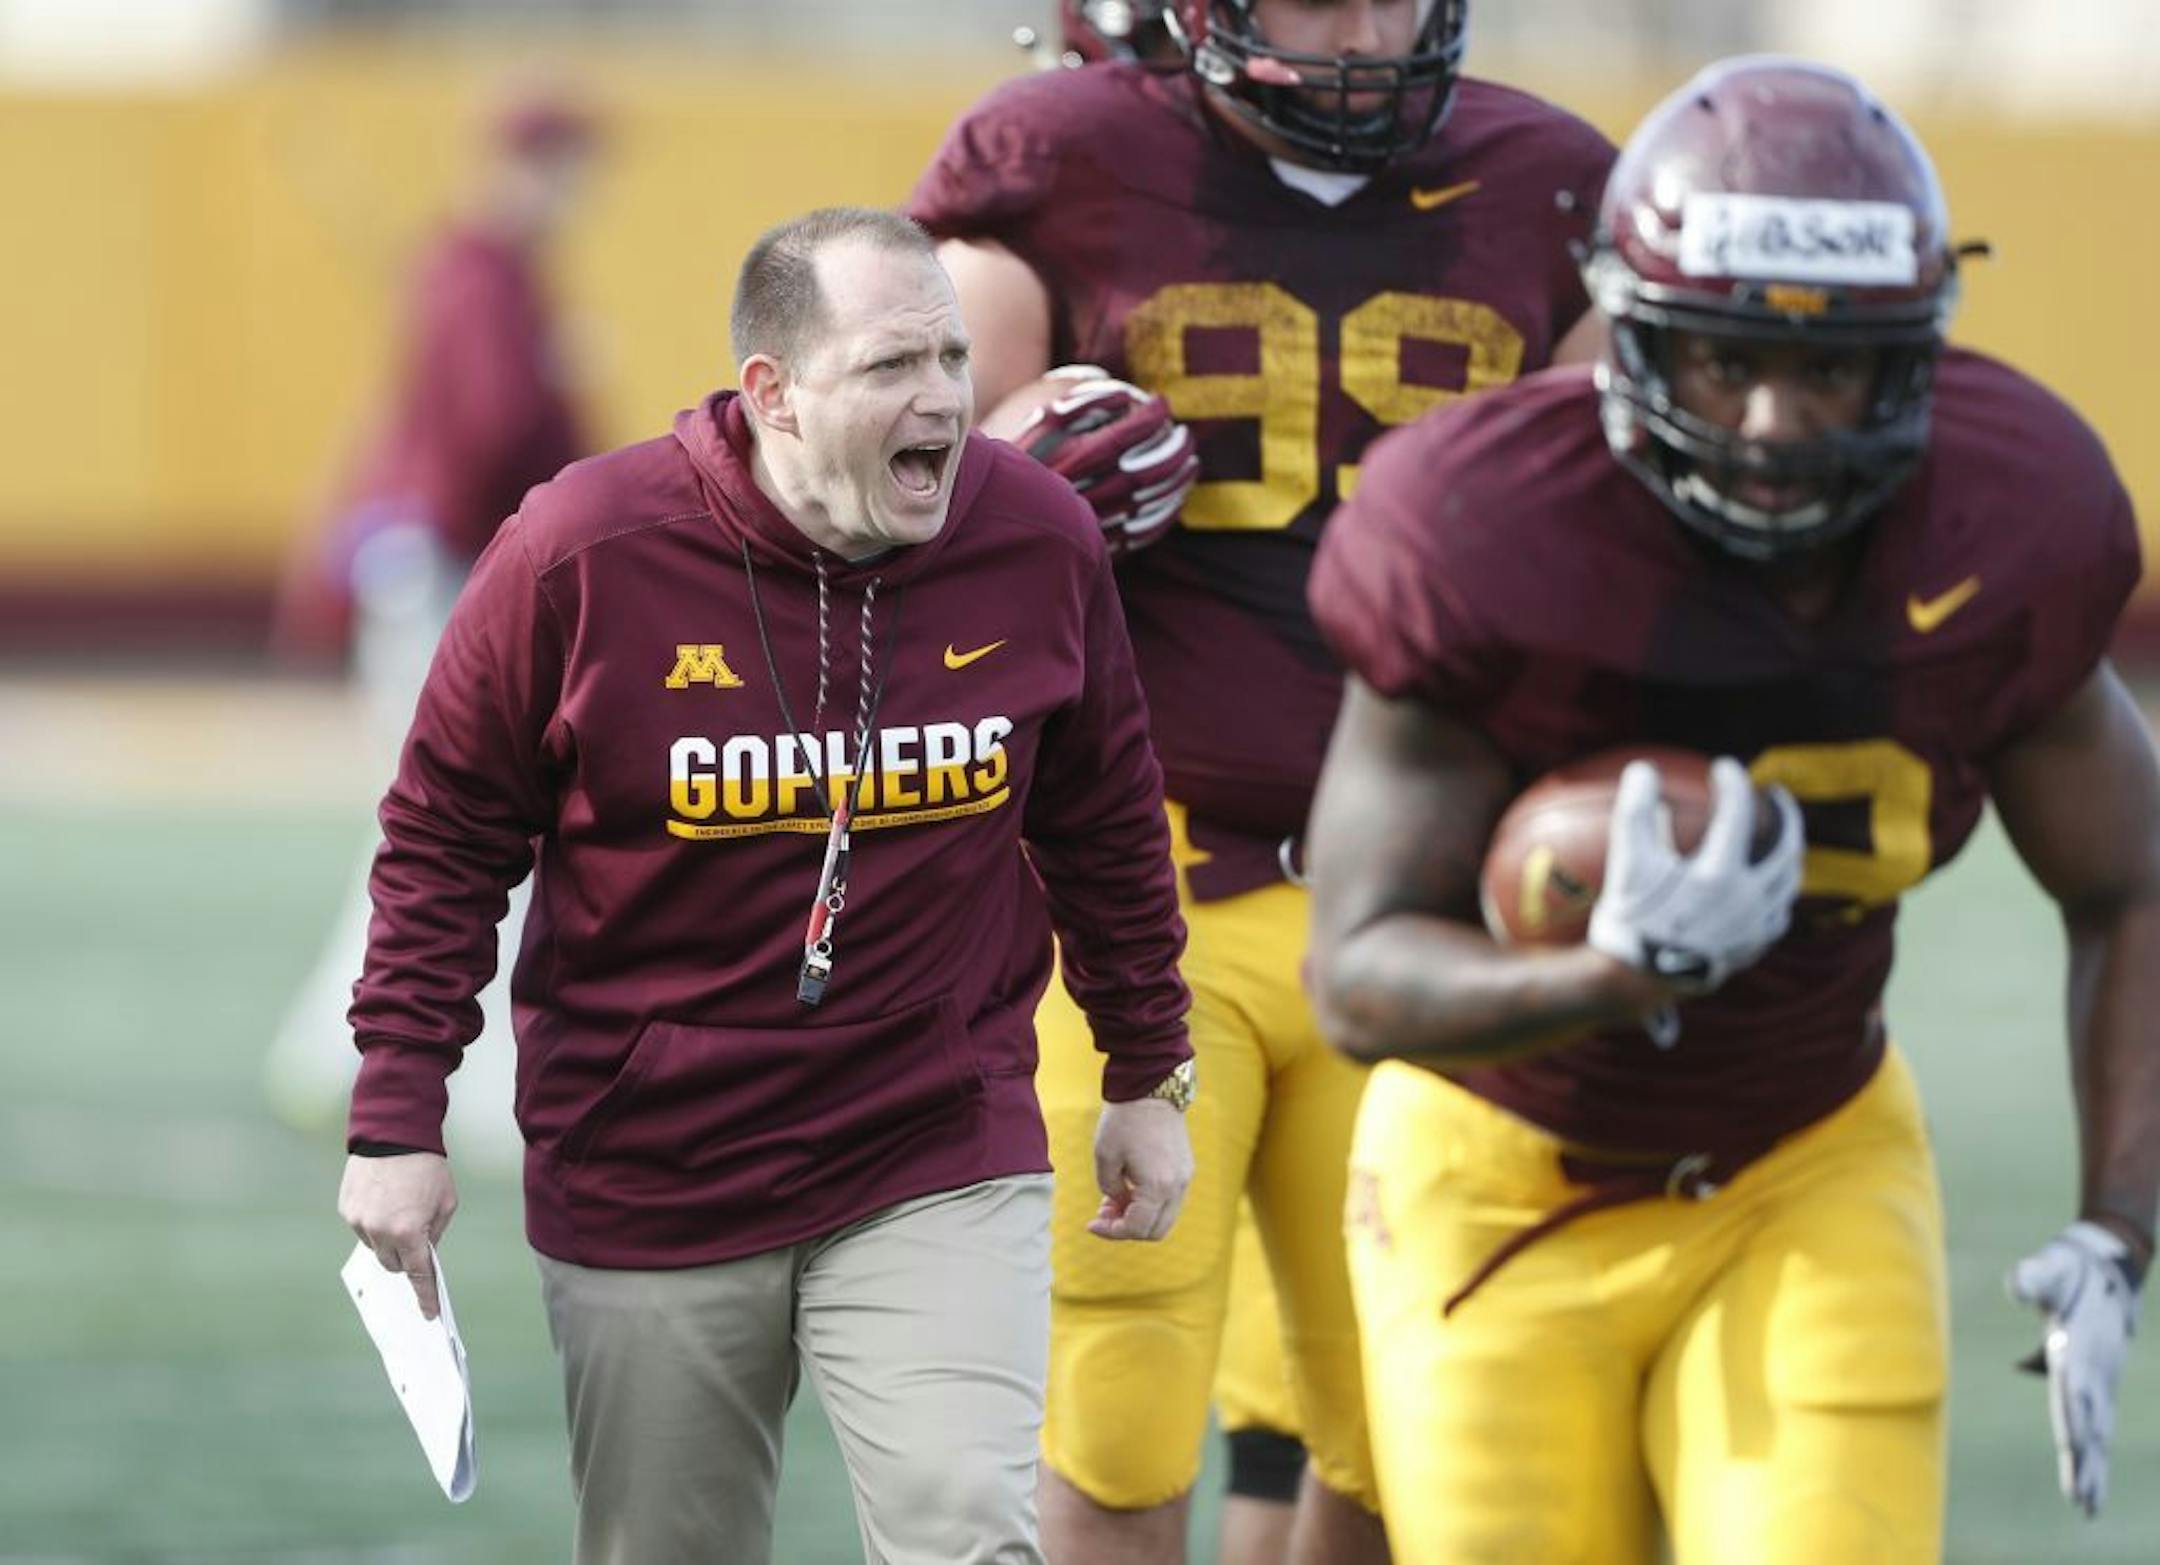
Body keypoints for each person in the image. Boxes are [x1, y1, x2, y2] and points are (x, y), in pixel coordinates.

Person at [1304, 56, 2158, 1562]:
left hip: (1804, 1164)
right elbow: (1357, 971)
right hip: (1496, 1179)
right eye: (1719, 361)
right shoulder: (1480, 527)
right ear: (1630, 337)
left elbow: (2134, 878)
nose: (1771, 423)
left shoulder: (2012, 518)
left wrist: (2119, 1223)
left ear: (1912, 362)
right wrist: (1601, 978)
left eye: (1827, 368)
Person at [336, 206, 1199, 1565]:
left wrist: (1149, 1068)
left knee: (971, 1534)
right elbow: (446, 834)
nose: (941, 401)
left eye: (952, 359)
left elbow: (1103, 817)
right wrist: (397, 1115)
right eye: (891, 367)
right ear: (772, 393)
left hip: (936, 1136)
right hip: (653, 1158)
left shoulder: (1034, 535)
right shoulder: (582, 549)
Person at [907, 3, 1616, 1559]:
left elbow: (1633, 536)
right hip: (1134, 892)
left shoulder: (1553, 179)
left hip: (1427, 887)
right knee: (1121, 1396)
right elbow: (886, 508)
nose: (1360, 29)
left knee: (1406, 1419)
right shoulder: (1059, 159)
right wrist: (1015, 475)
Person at [264, 84, 603, 1167]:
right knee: (469, 819)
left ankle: (327, 1047)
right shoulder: (479, 276)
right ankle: (434, 1062)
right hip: (451, 572)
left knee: (422, 817)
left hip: (441, 569)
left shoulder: (488, 274)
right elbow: (493, 432)